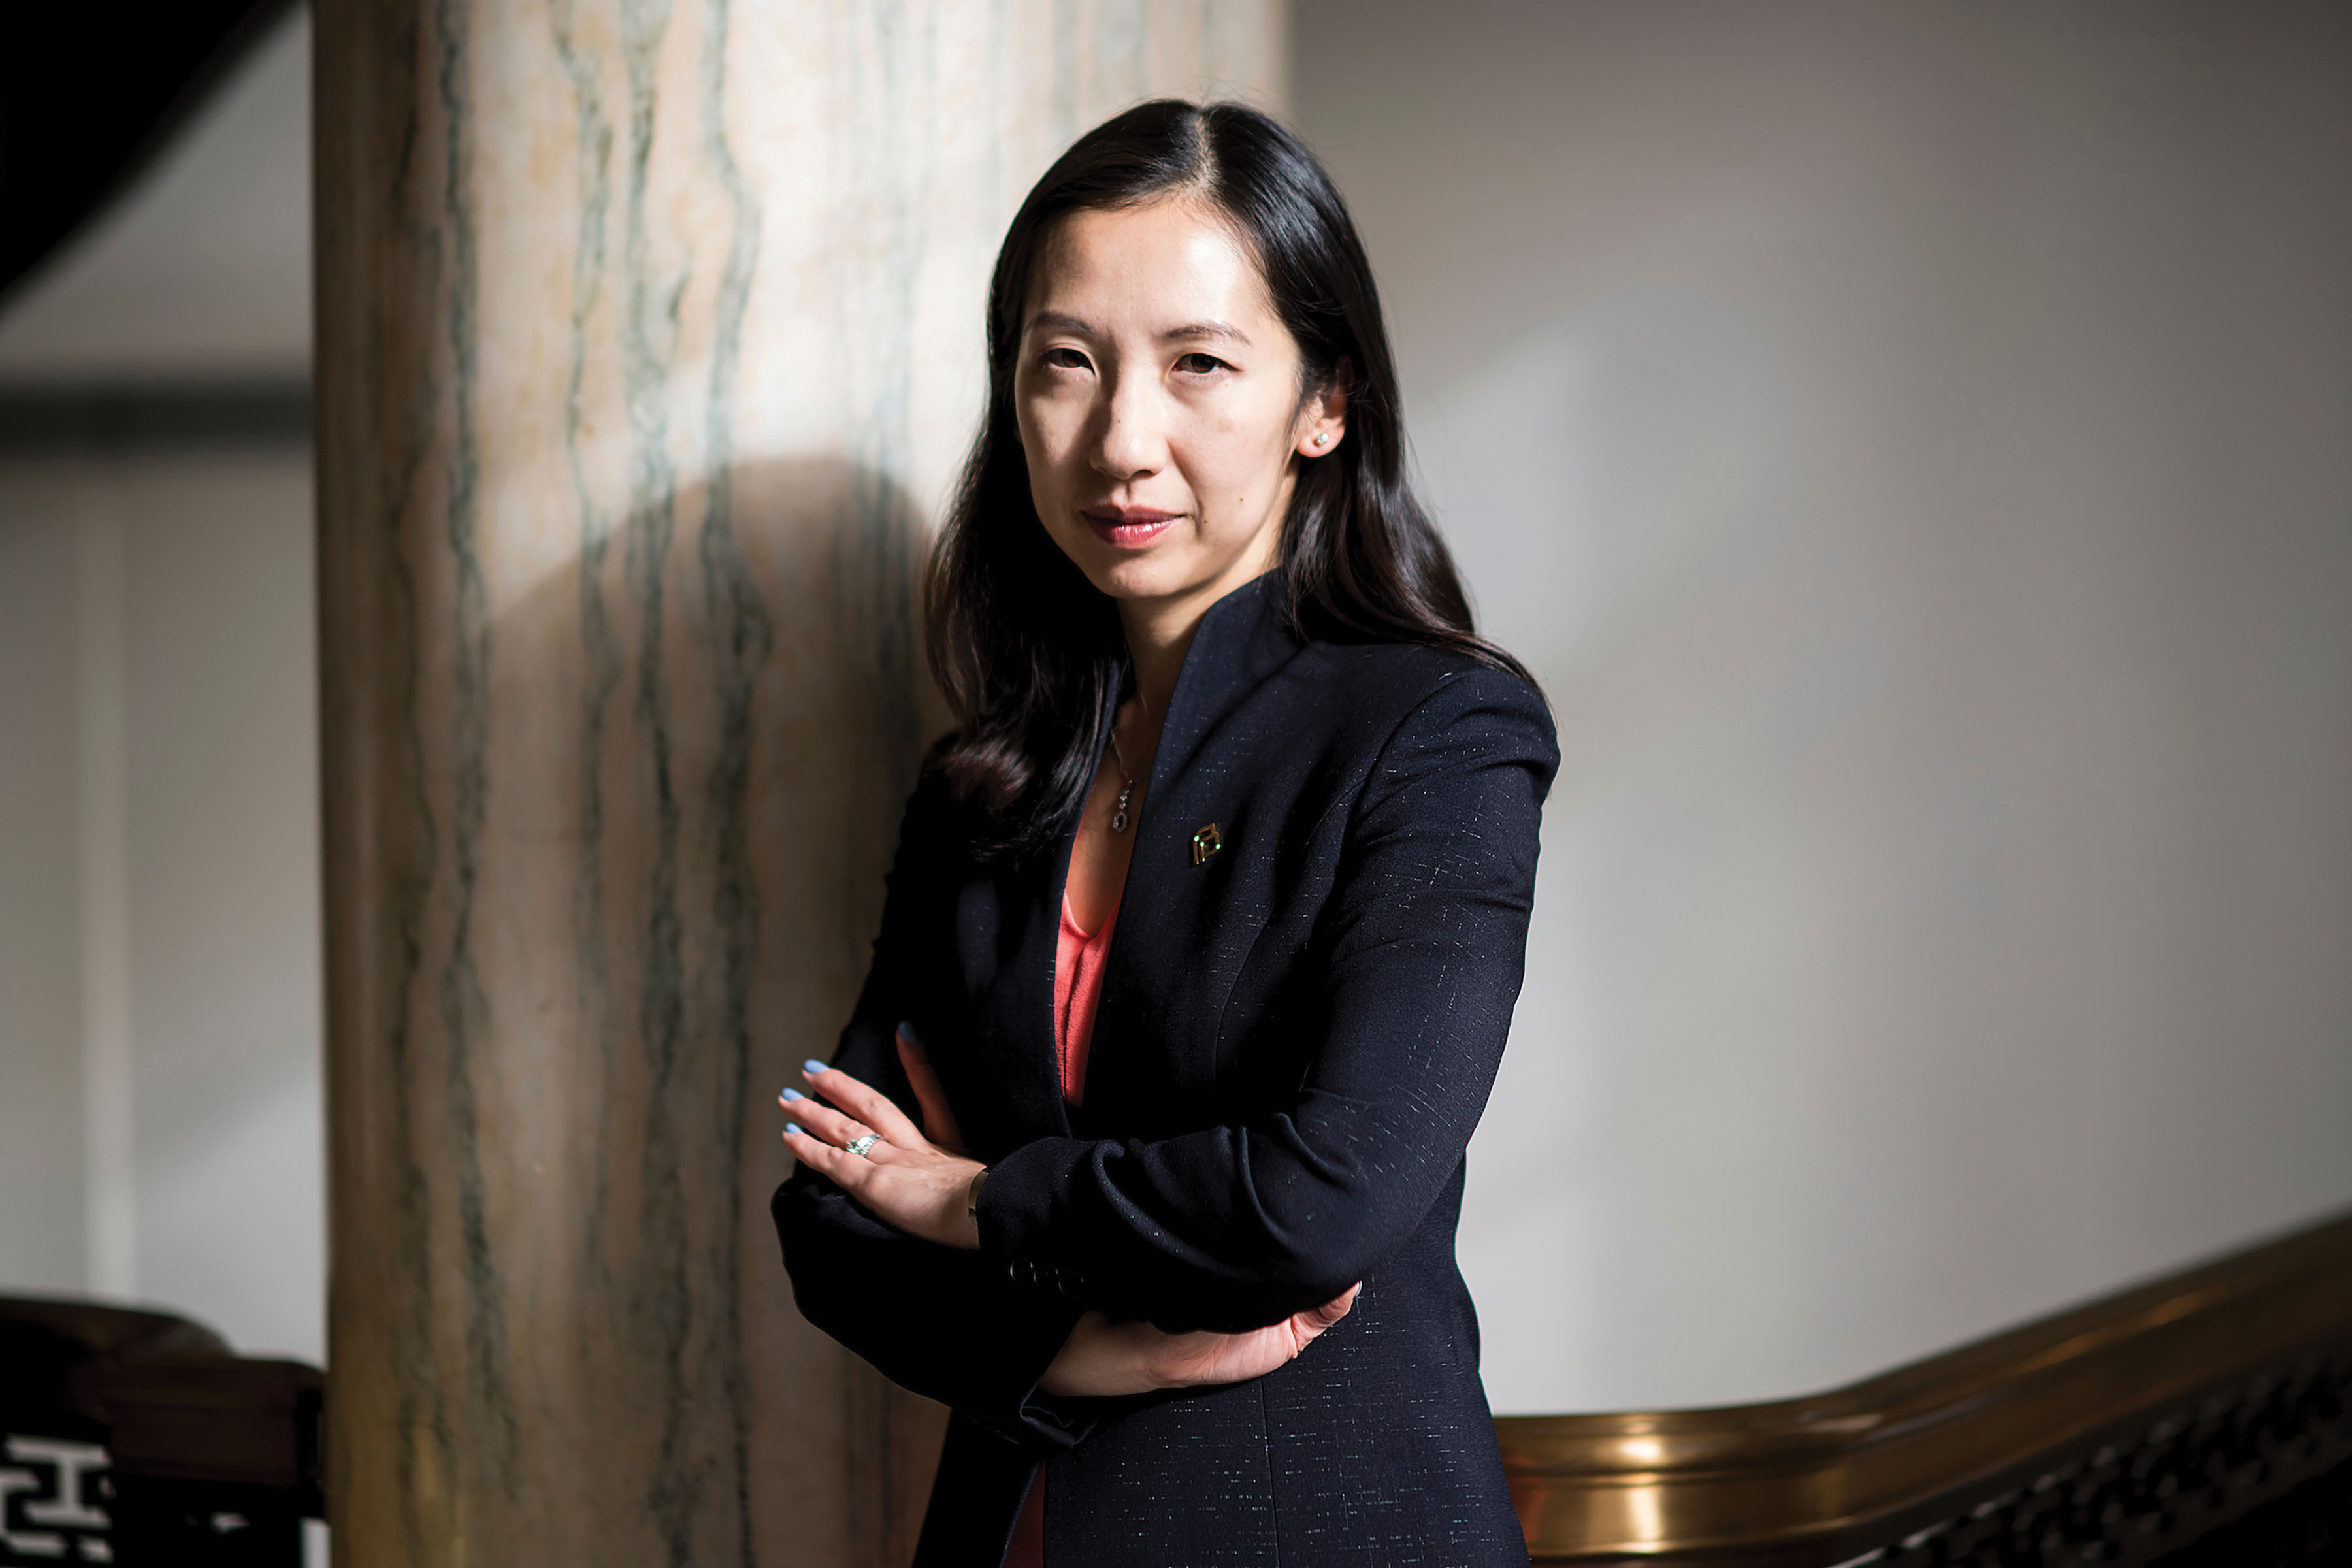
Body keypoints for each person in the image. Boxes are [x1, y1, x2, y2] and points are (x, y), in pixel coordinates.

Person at [771, 98, 1556, 1567]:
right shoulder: (984, 786)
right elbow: (835, 1214)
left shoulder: (1438, 733)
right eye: (1068, 364)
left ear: (1325, 400)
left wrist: (986, 1200)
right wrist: (1069, 1348)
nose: (1123, 439)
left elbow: (1327, 1195)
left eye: (1200, 364)